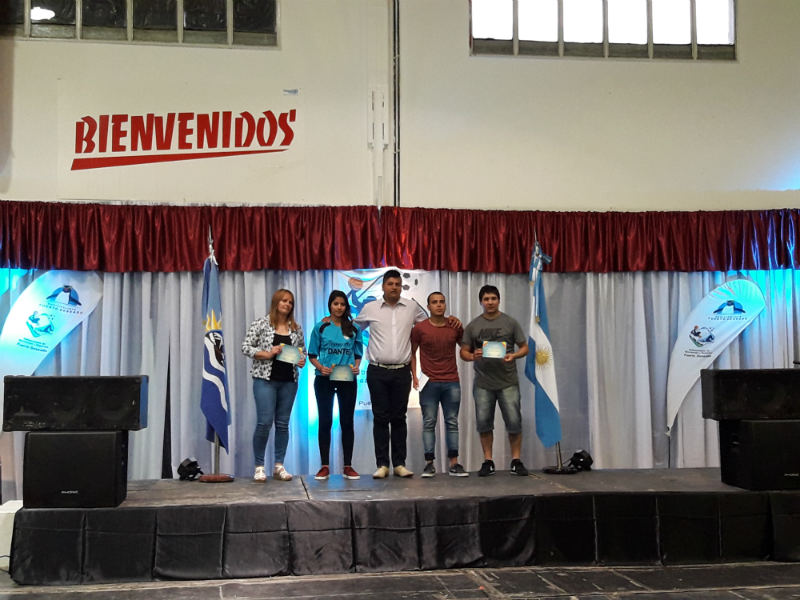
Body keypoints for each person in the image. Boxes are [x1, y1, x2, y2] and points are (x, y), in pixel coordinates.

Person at [354, 270, 461, 479]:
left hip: (402, 371)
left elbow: (431, 323)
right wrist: (332, 320)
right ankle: (382, 465)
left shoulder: (411, 307)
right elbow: (352, 330)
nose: (394, 287)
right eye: (390, 284)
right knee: (380, 418)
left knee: (399, 418)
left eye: (397, 284)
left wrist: (451, 320)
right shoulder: (370, 308)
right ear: (383, 286)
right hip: (377, 370)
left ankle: (399, 464)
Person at [460, 284, 530, 477]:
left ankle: (516, 460)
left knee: (514, 422)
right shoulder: (473, 326)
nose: (490, 302)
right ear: (481, 302)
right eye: (486, 299)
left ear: (499, 300)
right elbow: (463, 352)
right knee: (484, 423)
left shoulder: (510, 323)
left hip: (508, 382)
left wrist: (514, 355)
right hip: (483, 383)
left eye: (493, 298)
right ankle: (488, 461)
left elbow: (525, 347)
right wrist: (473, 355)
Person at [242, 288, 306, 482]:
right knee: (264, 422)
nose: (287, 304)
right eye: (284, 300)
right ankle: (259, 466)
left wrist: (301, 359)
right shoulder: (261, 323)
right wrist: (267, 353)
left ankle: (279, 465)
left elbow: (302, 350)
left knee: (283, 424)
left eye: (290, 302)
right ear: (276, 302)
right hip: (265, 380)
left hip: (289, 381)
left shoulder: (295, 328)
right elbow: (246, 347)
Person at [411, 291, 468, 477]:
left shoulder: (454, 326)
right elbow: (411, 353)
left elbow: (466, 348)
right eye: (434, 302)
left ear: (445, 304)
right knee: (429, 423)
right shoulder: (419, 328)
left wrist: (462, 328)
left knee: (452, 422)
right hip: (429, 383)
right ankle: (429, 464)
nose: (438, 305)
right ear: (428, 307)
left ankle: (454, 464)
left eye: (442, 301)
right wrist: (414, 376)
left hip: (452, 382)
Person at [308, 290, 364, 481]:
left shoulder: (353, 328)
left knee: (347, 422)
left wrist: (356, 367)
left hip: (347, 380)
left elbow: (358, 354)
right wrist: (320, 367)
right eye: (335, 304)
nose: (339, 307)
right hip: (324, 379)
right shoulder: (321, 327)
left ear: (346, 306)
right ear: (330, 305)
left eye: (342, 304)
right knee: (325, 421)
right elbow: (312, 355)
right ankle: (324, 466)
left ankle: (348, 466)